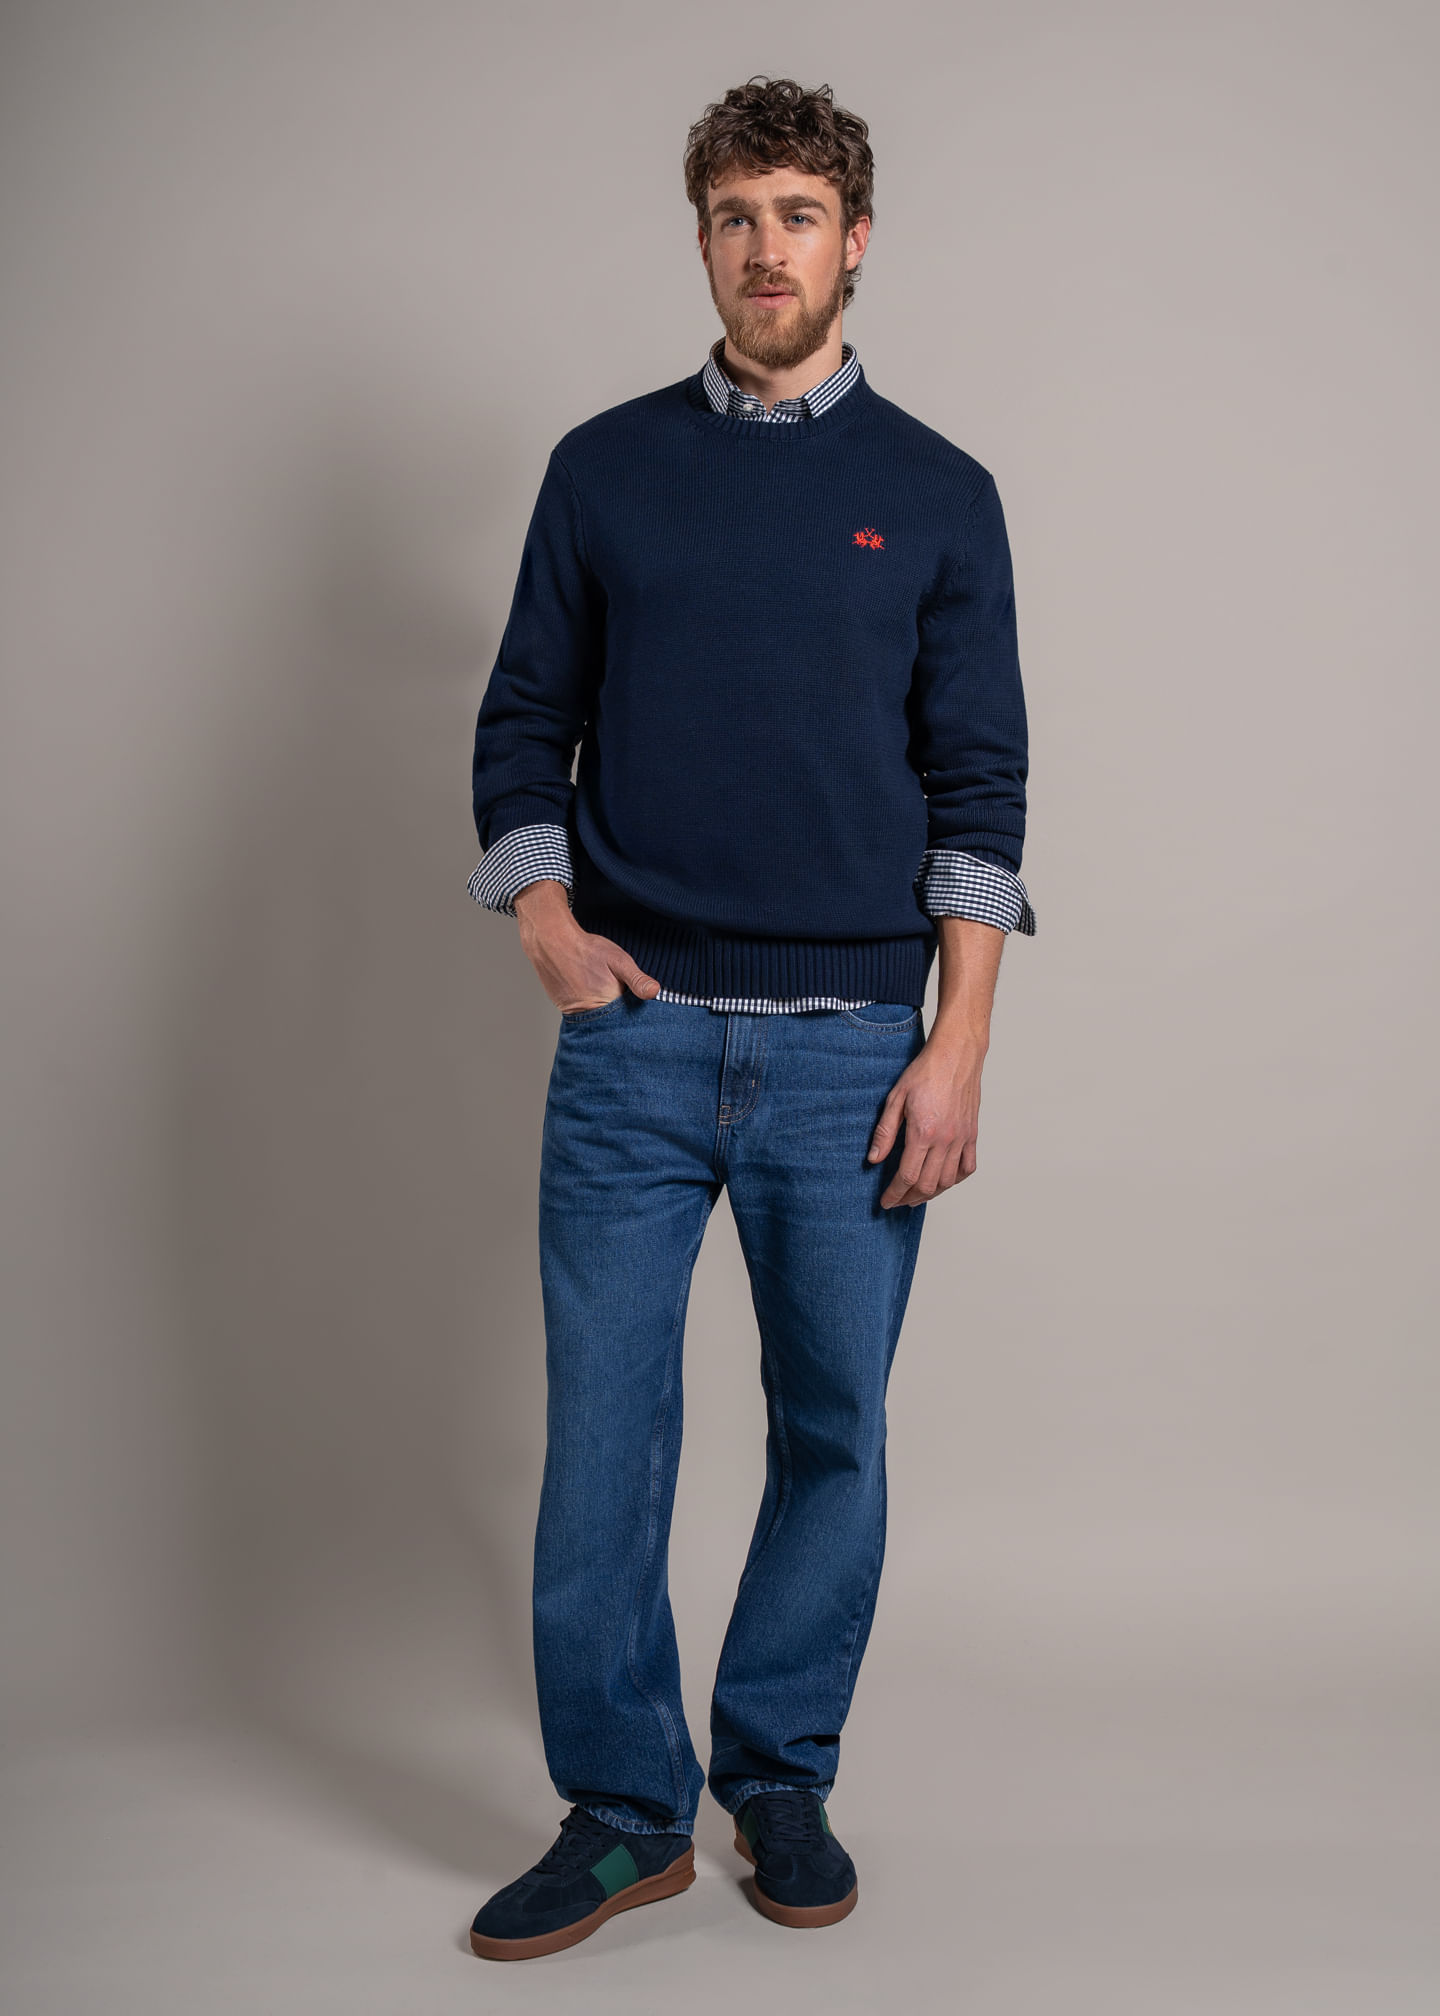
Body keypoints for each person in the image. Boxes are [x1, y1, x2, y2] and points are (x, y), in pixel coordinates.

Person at [465, 74, 1035, 1962]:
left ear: (855, 241)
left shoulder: (940, 495)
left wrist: (957, 1044)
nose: (765, 248)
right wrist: (546, 921)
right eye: (735, 216)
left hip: (854, 1057)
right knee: (600, 1448)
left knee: (833, 1433)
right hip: (631, 1046)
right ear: (701, 241)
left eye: (798, 214)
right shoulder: (603, 469)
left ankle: (777, 1770)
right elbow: (519, 721)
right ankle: (624, 1813)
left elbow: (980, 792)